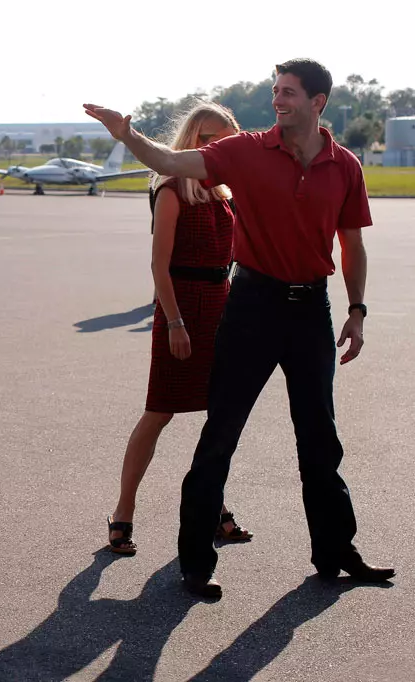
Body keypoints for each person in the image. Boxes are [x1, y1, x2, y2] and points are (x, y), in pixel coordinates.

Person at [84, 58, 395, 598]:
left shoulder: (344, 166)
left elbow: (353, 244)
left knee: (320, 438)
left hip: (311, 312)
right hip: (251, 305)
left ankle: (335, 551)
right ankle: (195, 564)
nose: (279, 100)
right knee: (220, 433)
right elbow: (168, 159)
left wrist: (358, 309)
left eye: (290, 92)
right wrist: (129, 135)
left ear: (318, 102)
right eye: (276, 91)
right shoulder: (245, 150)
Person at [107, 102, 252, 556]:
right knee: (160, 411)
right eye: (208, 139)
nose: (216, 148)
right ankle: (123, 512)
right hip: (181, 305)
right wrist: (174, 322)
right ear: (191, 139)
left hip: (221, 306)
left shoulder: (225, 192)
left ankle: (215, 509)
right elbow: (159, 264)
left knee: (220, 416)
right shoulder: (171, 189)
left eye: (224, 140)